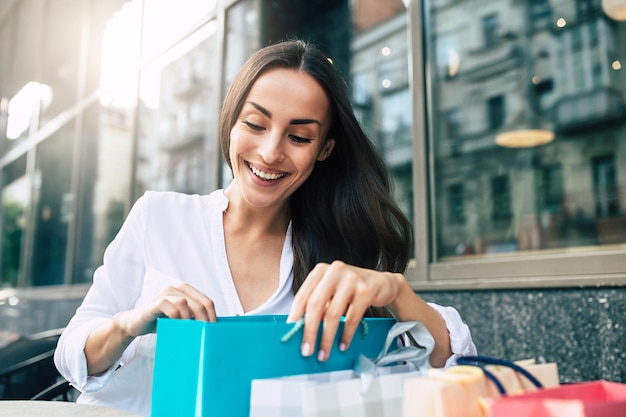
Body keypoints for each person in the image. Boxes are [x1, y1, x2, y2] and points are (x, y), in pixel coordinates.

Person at [54, 39, 476, 417]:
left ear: (325, 149)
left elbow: (450, 361)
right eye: (255, 125)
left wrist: (397, 292)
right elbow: (71, 354)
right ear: (232, 121)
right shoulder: (159, 217)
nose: (270, 152)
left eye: (299, 137)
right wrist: (130, 324)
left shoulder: (332, 252)